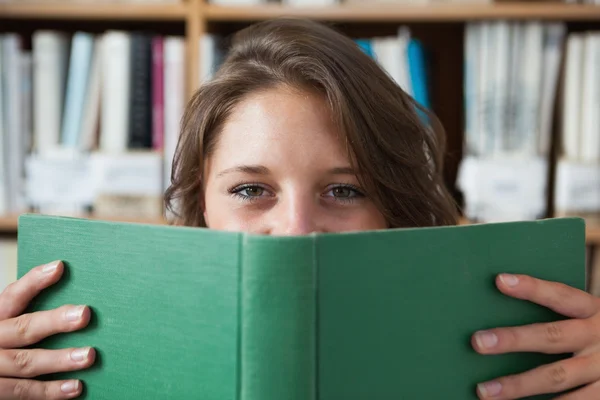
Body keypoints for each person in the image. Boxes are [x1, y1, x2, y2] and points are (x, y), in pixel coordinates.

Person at [0, 18, 598, 400]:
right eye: (249, 190)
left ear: (396, 208)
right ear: (199, 204)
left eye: (345, 190)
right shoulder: (76, 360)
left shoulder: (513, 358)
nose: (296, 231)